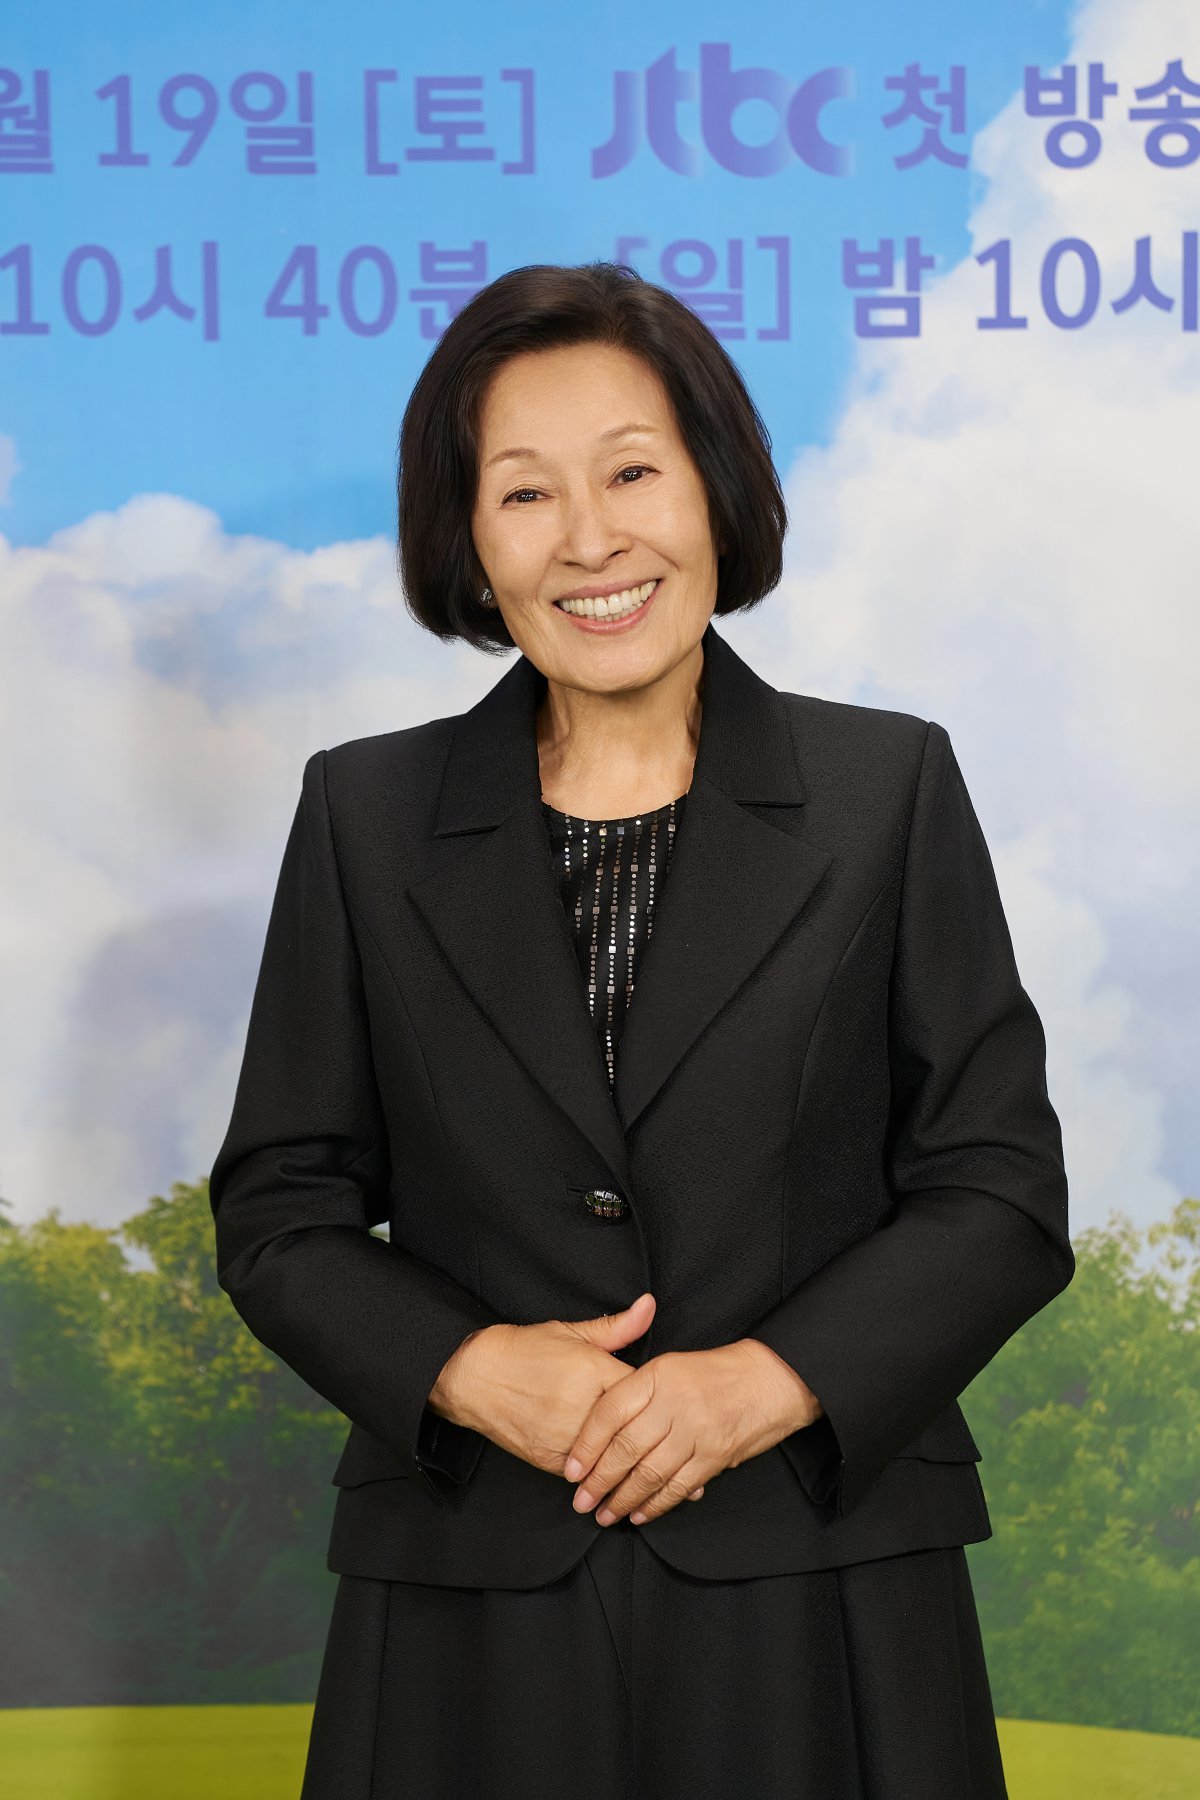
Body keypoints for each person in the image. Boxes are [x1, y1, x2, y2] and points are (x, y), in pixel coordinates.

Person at [208, 261, 1074, 1799]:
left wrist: (768, 1382)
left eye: (631, 473)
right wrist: (467, 1366)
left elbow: (998, 1190)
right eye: (525, 493)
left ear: (717, 491)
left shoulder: (886, 791)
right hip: (470, 1580)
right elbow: (282, 1207)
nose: (590, 540)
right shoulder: (365, 813)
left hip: (820, 1567)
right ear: (469, 540)